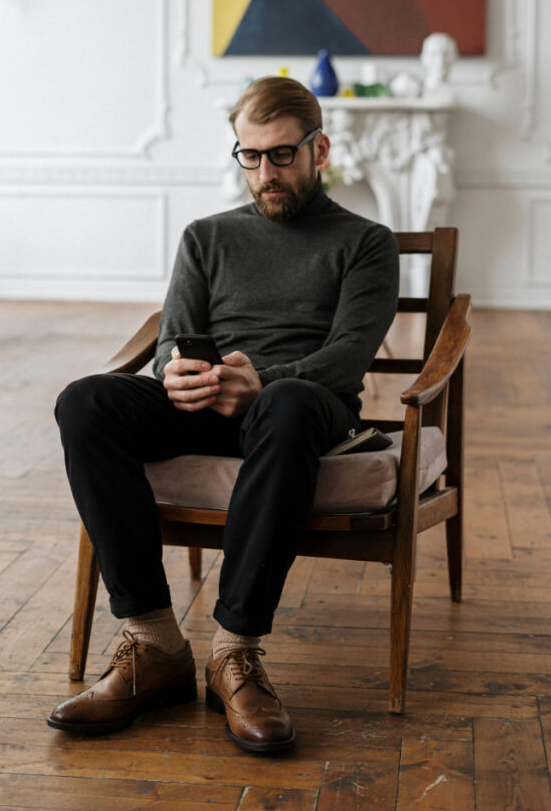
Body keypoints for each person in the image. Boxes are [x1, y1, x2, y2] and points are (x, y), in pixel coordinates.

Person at [48, 76, 399, 753]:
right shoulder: (205, 237)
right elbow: (174, 341)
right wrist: (176, 375)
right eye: (249, 156)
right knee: (85, 401)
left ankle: (234, 651)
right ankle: (153, 643)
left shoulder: (365, 242)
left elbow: (348, 357)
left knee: (289, 403)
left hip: (301, 407)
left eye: (281, 155)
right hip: (208, 403)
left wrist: (264, 380)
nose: (264, 173)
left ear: (318, 149)